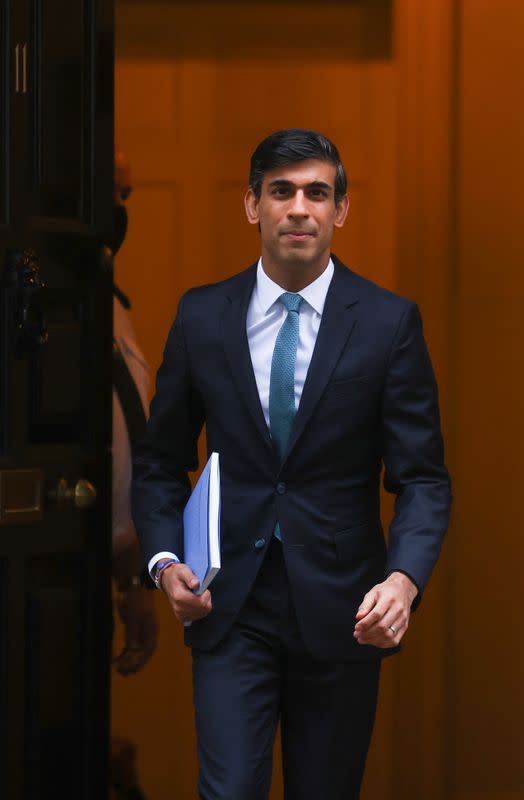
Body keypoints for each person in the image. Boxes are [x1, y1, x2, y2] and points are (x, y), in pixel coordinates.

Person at [132, 129, 452, 800]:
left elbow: (422, 477)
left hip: (344, 607)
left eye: (317, 192)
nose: (299, 208)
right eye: (281, 191)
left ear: (341, 210)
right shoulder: (201, 317)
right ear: (253, 206)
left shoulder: (389, 324)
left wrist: (402, 581)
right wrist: (164, 564)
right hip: (229, 603)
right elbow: (161, 461)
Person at [111, 148, 157, 676]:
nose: (120, 208)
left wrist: (134, 579)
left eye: (126, 195)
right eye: (113, 189)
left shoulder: (111, 306)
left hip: (103, 568)